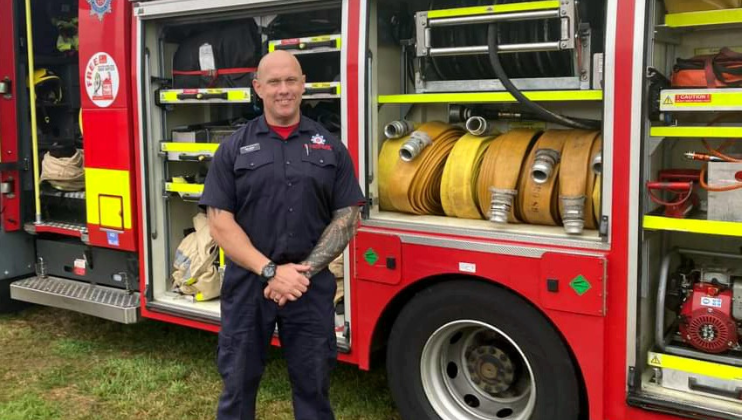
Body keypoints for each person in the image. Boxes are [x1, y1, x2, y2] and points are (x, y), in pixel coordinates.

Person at [199, 50, 364, 420]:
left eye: (291, 80)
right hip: (248, 287)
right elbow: (220, 222)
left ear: (304, 84)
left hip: (308, 289)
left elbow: (348, 217)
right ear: (258, 88)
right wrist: (271, 271)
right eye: (274, 82)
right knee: (238, 386)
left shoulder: (331, 147)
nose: (283, 90)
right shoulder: (233, 149)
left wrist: (300, 272)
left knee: (313, 386)